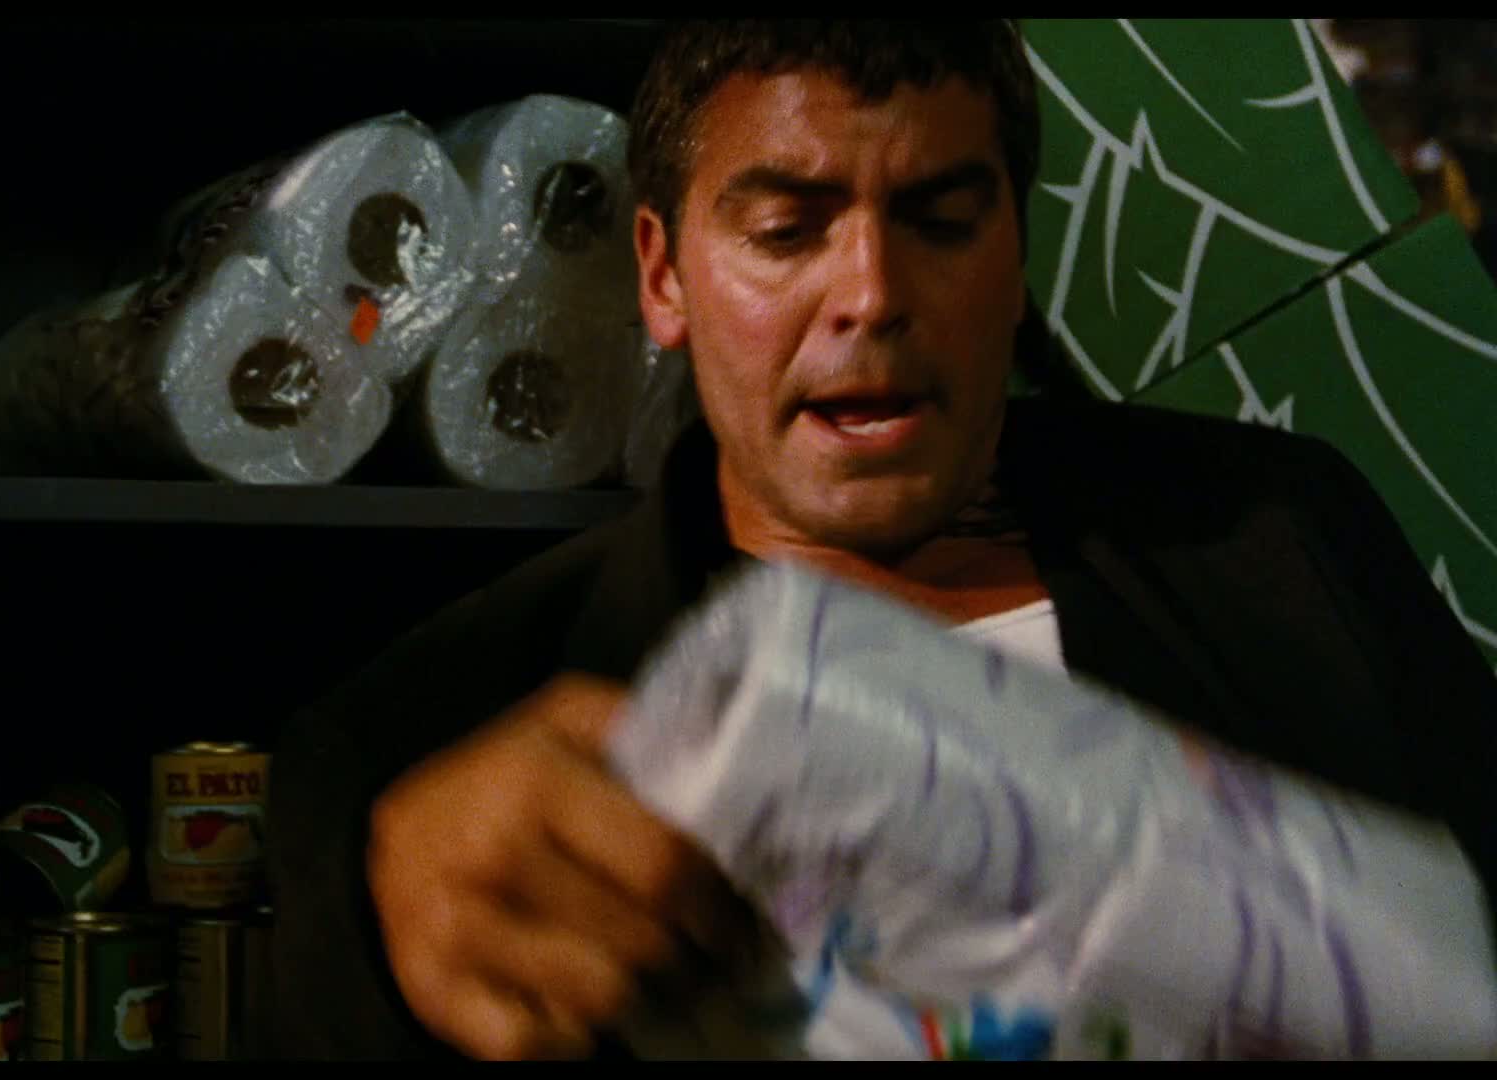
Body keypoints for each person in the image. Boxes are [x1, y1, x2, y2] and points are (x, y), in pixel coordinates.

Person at [267, 19, 1497, 1060]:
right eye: (786, 231)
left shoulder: (1283, 543)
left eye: (942, 221)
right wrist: (374, 950)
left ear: (1016, 256)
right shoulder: (433, 734)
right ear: (663, 276)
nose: (872, 294)